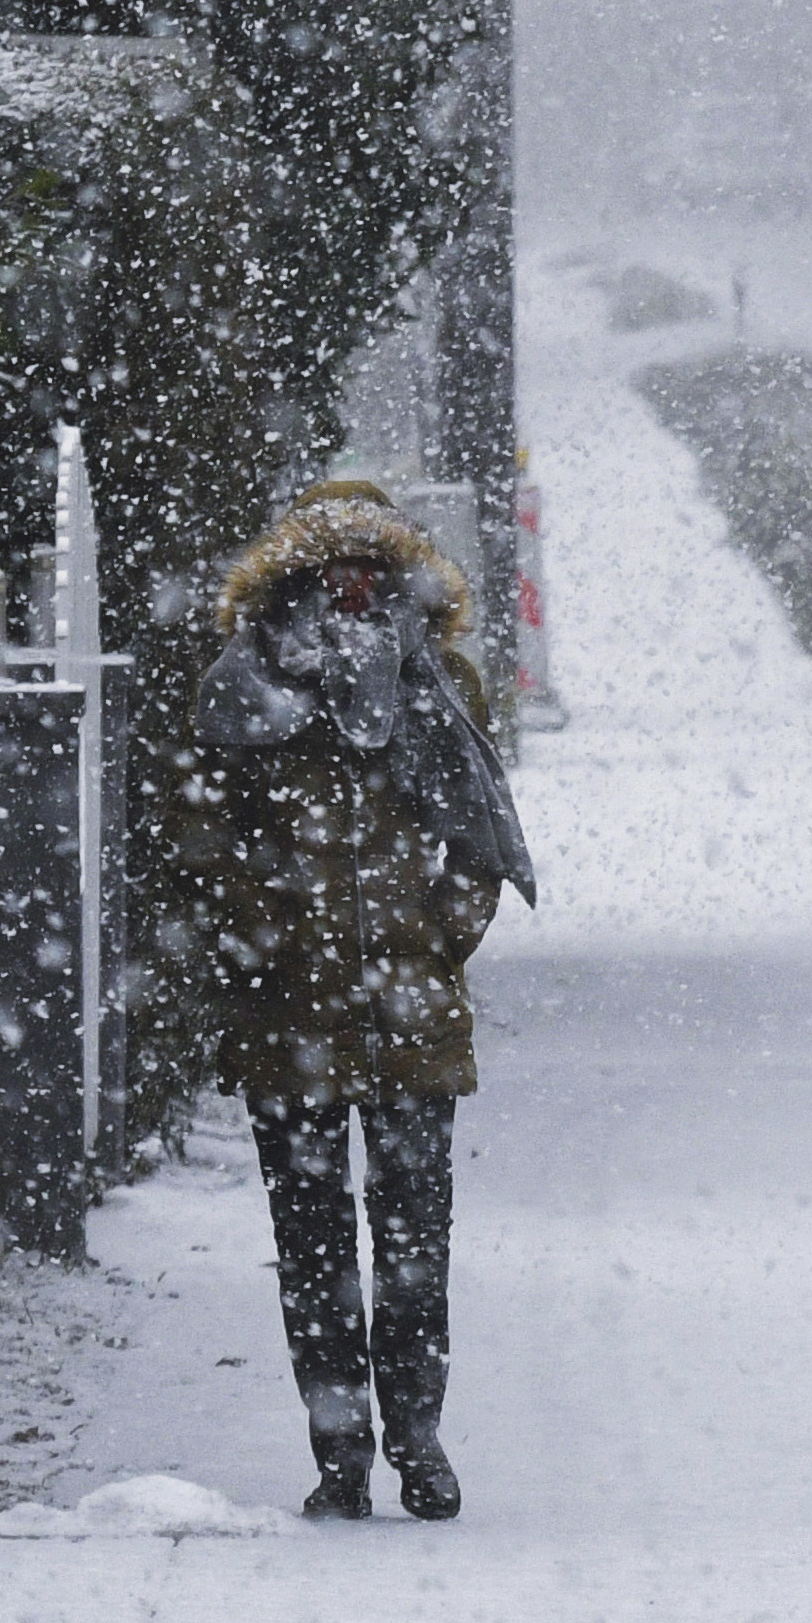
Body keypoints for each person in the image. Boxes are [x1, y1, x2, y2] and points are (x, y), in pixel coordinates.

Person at [160, 481, 534, 1520]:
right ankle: (339, 1453)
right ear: (297, 577)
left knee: (416, 1240)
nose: (354, 586)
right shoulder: (239, 691)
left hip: (411, 1019)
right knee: (314, 1242)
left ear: (400, 576)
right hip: (290, 1021)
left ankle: (418, 1438)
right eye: (334, 569)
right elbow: (199, 844)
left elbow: (478, 838)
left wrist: (436, 941)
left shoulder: (441, 679)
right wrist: (270, 936)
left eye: (373, 567)